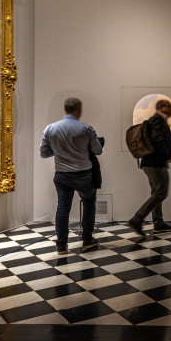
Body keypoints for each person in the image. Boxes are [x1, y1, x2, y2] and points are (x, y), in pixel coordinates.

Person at [40, 97, 103, 254]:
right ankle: (87, 239)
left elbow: (44, 153)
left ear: (65, 109)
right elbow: (98, 150)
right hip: (83, 175)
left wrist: (60, 150)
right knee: (88, 203)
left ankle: (61, 245)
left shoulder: (50, 129)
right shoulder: (87, 129)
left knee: (63, 207)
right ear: (79, 110)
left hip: (62, 175)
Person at [127, 99, 171, 236]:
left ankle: (158, 223)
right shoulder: (158, 119)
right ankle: (137, 219)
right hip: (155, 162)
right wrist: (167, 155)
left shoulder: (158, 120)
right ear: (161, 107)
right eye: (169, 106)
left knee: (157, 192)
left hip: (154, 162)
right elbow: (157, 139)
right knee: (161, 193)